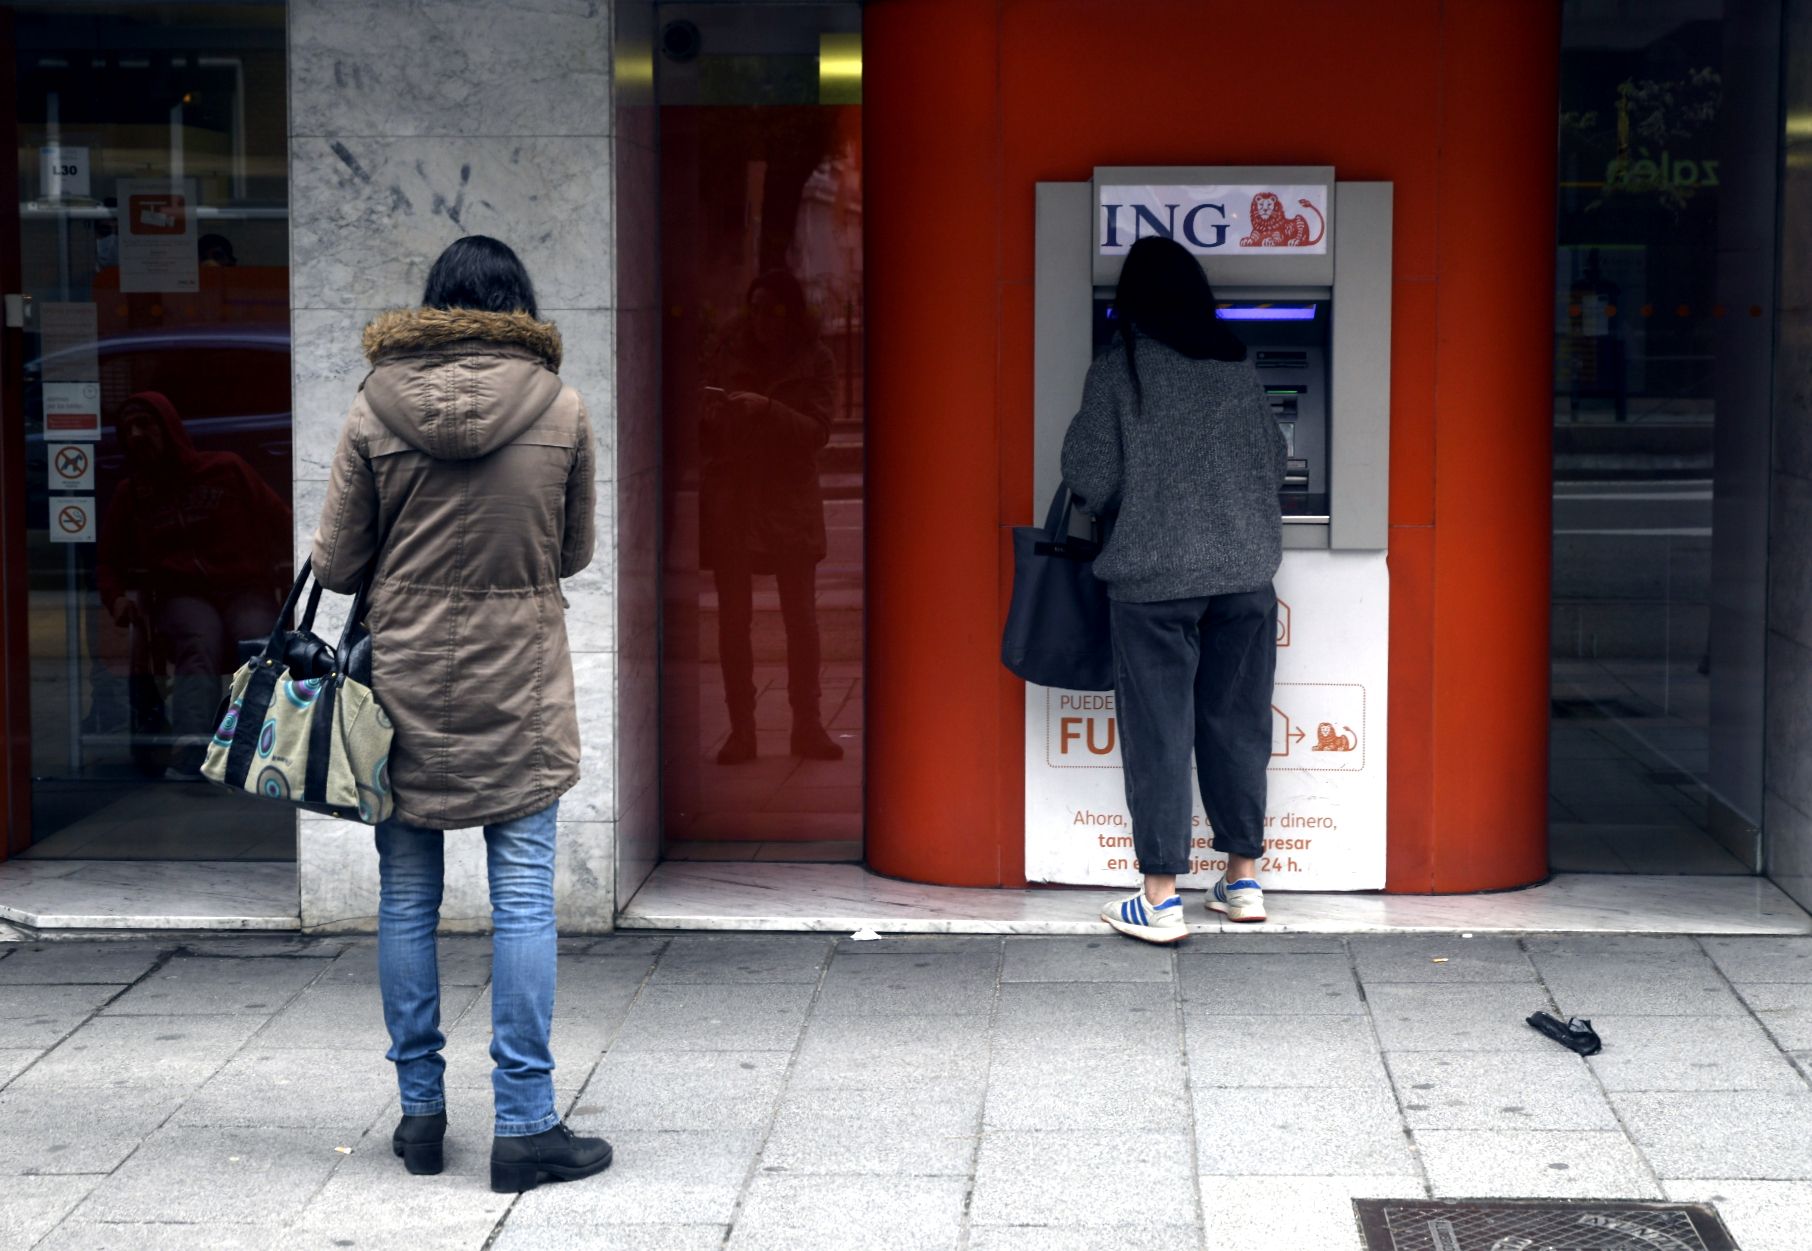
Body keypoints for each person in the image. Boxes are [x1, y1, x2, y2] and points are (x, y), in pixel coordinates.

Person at [312, 235, 609, 1192]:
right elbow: (573, 552)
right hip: (520, 688)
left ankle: (421, 1116)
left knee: (407, 898)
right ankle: (524, 1125)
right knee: (522, 899)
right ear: (519, 308)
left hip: (399, 692)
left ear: (434, 307)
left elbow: (337, 565)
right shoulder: (560, 406)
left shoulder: (374, 404)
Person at [1060, 235, 1289, 943]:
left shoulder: (1119, 368)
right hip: (1245, 577)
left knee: (1161, 734)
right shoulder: (1237, 364)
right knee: (1237, 725)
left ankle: (1160, 897)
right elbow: (1276, 461)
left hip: (1154, 583)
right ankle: (1243, 880)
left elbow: (1090, 477)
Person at [96, 391, 291, 777]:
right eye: (128, 429)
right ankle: (194, 748)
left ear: (167, 427)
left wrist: (293, 567)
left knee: (258, 642)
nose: (136, 435)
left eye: (145, 425)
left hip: (244, 585)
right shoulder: (132, 494)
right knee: (198, 641)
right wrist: (115, 598)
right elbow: (109, 559)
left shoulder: (225, 469)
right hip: (181, 593)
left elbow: (280, 518)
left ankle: (265, 742)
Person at [700, 268, 842, 764]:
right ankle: (743, 731)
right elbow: (699, 427)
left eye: (772, 310)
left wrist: (765, 409)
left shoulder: (815, 357)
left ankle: (808, 725)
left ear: (791, 313)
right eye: (755, 308)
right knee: (732, 622)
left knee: (800, 619)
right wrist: (714, 417)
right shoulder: (729, 351)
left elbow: (818, 432)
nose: (762, 320)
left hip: (788, 501)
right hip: (736, 498)